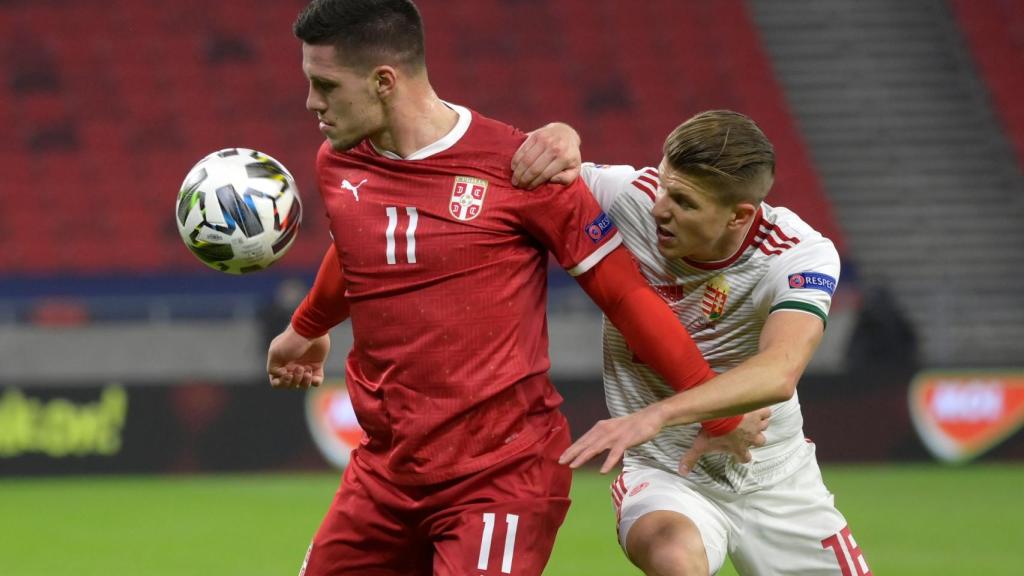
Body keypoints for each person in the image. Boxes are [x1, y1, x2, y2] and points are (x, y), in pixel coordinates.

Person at [265, 2, 766, 574]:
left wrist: (719, 411)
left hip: (499, 476)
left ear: (384, 82)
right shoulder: (338, 164)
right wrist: (306, 328)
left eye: (324, 84)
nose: (312, 103)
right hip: (385, 472)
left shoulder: (521, 170)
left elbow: (626, 297)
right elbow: (355, 248)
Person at [528, 111, 871, 575]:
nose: (658, 208)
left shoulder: (796, 253)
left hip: (774, 475)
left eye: (683, 202)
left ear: (740, 215)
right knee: (674, 557)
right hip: (666, 472)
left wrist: (658, 414)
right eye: (664, 184)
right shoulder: (628, 197)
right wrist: (559, 135)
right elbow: (519, 163)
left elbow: (780, 369)